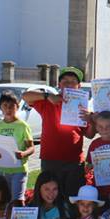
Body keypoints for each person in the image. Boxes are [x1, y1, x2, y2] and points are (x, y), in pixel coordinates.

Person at [22, 67, 92, 199]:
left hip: (74, 160)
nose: (69, 84)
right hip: (51, 159)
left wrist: (91, 120)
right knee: (50, 198)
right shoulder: (49, 102)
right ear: (59, 85)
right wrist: (48, 96)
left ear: (79, 86)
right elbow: (25, 96)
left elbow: (89, 134)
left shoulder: (83, 106)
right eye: (65, 81)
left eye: (73, 81)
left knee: (72, 198)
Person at [0, 91, 35, 205]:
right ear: (0, 107)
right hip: (2, 169)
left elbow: (31, 148)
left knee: (17, 200)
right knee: (3, 200)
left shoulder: (23, 126)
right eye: (5, 106)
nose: (8, 109)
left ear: (18, 106)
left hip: (18, 170)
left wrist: (23, 154)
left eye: (11, 106)